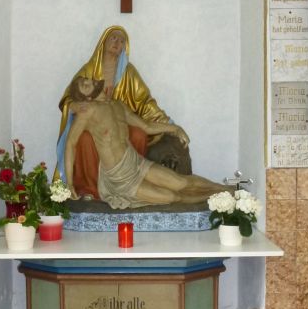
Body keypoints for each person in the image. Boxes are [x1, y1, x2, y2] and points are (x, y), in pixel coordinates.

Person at [56, 25, 188, 197]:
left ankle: (135, 180)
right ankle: (90, 189)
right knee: (86, 139)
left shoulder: (128, 72)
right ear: (103, 42)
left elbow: (145, 101)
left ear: (124, 48)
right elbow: (69, 97)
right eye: (113, 38)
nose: (117, 43)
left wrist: (170, 125)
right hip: (92, 125)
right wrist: (76, 106)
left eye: (121, 41)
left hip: (122, 121)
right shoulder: (89, 70)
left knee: (138, 134)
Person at [65, 76, 226, 208]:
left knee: (181, 182)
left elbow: (146, 126)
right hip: (120, 179)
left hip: (136, 163)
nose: (90, 81)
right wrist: (70, 183)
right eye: (85, 85)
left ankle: (225, 189)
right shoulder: (87, 111)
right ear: (86, 98)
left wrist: (175, 128)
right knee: (172, 196)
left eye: (87, 79)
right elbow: (70, 144)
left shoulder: (118, 105)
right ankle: (216, 198)